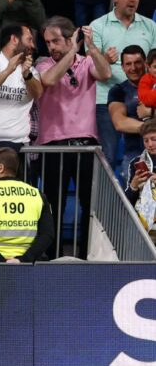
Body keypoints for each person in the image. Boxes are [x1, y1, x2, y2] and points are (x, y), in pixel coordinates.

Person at [36, 17, 112, 258]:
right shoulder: (43, 64)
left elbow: (105, 72)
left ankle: (86, 257)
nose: (51, 47)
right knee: (53, 207)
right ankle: (54, 257)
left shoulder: (87, 61)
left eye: (56, 41)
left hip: (85, 145)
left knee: (89, 206)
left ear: (71, 39)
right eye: (48, 42)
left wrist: (90, 48)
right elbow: (48, 80)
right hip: (53, 146)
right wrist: (72, 52)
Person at [91, 0, 156, 166]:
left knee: (146, 155)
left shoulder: (150, 26)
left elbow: (154, 64)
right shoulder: (98, 26)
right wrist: (104, 58)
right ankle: (106, 197)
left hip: (143, 99)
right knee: (108, 157)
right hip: (106, 99)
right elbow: (91, 66)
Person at [0, 147, 54, 262]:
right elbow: (47, 235)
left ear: (0, 168)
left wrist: (1, 262)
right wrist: (23, 260)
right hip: (27, 268)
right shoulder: (37, 195)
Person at [109, 45, 149, 168]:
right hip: (135, 157)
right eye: (128, 64)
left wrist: (151, 113)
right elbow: (119, 123)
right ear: (122, 67)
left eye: (137, 63)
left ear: (145, 63)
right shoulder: (118, 90)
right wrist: (151, 128)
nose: (133, 68)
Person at [124, 118, 156, 244]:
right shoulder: (136, 163)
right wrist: (134, 186)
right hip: (144, 227)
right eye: (146, 140)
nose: (150, 144)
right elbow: (127, 203)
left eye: (154, 139)